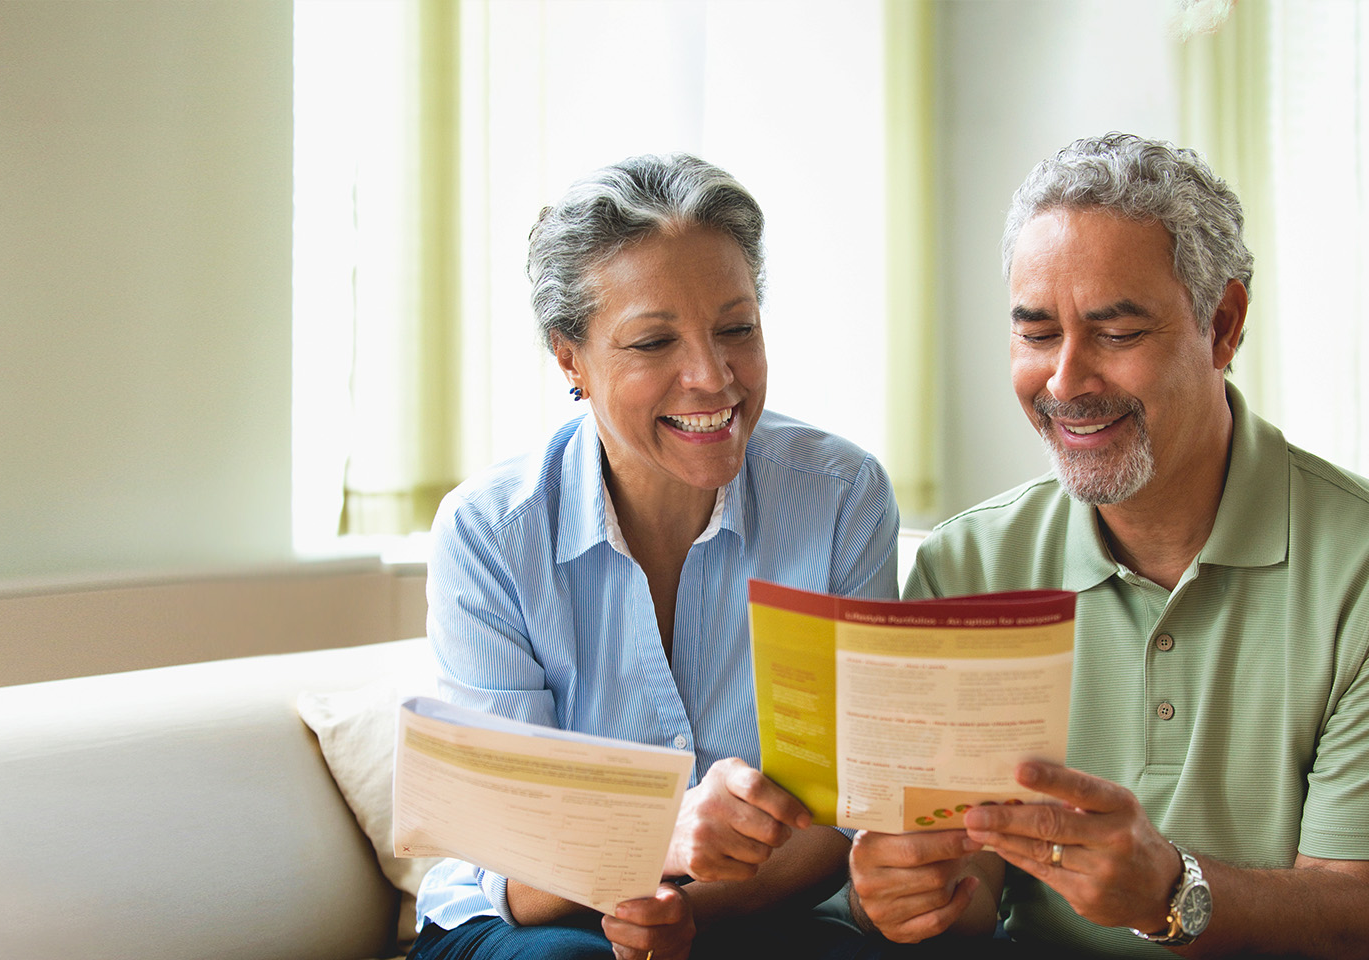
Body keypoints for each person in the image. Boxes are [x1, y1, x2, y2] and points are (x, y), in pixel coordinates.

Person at [847, 133, 1369, 957]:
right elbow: (971, 886)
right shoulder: (965, 568)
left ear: (1223, 325)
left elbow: (1353, 913)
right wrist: (917, 894)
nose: (1064, 381)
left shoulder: (1358, 571)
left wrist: (1172, 892)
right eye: (1037, 332)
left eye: (1115, 333)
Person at [407, 153, 901, 960]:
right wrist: (658, 845)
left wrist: (692, 913)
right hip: (535, 919)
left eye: (736, 328)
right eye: (653, 341)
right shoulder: (490, 533)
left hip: (761, 909)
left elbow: (845, 815)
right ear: (572, 360)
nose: (712, 377)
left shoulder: (842, 497)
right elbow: (512, 860)